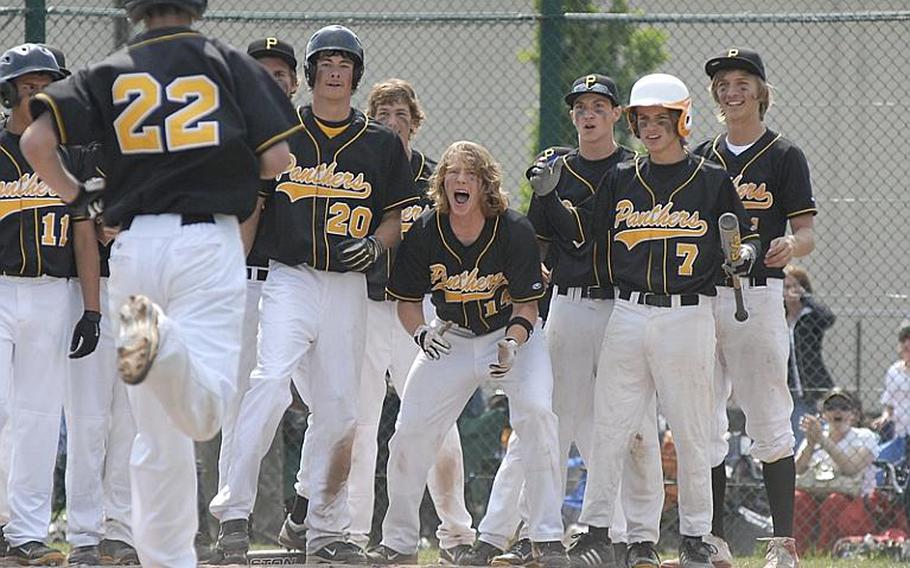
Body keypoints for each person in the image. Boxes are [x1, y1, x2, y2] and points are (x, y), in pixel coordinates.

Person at [21, 0, 295, 564]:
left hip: (133, 248)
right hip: (207, 242)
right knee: (205, 412)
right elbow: (279, 162)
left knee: (153, 430)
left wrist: (76, 195)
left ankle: (167, 560)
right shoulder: (227, 62)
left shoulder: (109, 69)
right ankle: (162, 340)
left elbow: (33, 144)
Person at [531, 73, 759, 568]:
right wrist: (548, 199)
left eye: (662, 119)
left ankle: (696, 536)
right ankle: (600, 533)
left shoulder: (712, 180)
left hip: (688, 316)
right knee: (611, 426)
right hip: (628, 311)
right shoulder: (621, 178)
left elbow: (741, 244)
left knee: (690, 428)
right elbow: (586, 237)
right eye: (643, 119)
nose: (651, 128)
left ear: (682, 120)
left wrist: (743, 255)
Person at [209, 24, 417, 564]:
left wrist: (377, 245)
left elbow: (395, 215)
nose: (333, 70)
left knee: (342, 409)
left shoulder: (380, 143)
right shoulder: (281, 134)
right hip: (290, 276)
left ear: (355, 74)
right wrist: (233, 272)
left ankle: (324, 527)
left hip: (349, 286)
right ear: (310, 73)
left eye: (343, 63)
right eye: (324, 62)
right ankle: (233, 515)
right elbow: (253, 207)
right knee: (269, 382)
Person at [463, 74, 664, 568]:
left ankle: (634, 539)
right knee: (545, 421)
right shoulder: (556, 169)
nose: (589, 113)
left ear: (618, 114)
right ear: (572, 114)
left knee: (631, 427)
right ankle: (508, 535)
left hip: (624, 305)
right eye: (580, 106)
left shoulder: (635, 170)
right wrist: (537, 260)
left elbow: (613, 234)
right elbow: (540, 241)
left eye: (600, 105)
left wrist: (554, 201)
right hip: (570, 305)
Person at [367, 140, 568, 567]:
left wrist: (512, 343)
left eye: (470, 175)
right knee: (409, 432)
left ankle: (546, 536)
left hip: (511, 336)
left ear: (485, 185)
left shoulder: (512, 228)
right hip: (451, 339)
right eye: (452, 174)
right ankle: (399, 540)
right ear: (441, 183)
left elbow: (527, 306)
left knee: (536, 414)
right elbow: (405, 300)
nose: (460, 181)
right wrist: (420, 333)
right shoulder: (425, 229)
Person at [658, 48, 819, 568]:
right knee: (702, 422)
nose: (731, 92)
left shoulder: (783, 154)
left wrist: (791, 248)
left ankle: (782, 545)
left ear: (760, 91)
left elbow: (806, 233)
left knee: (770, 417)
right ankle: (713, 541)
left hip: (761, 292)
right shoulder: (702, 156)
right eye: (723, 84)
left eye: (741, 82)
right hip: (705, 298)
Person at [328, 77, 474, 559]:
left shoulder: (436, 178)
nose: (392, 124)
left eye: (401, 116)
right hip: (365, 306)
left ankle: (456, 534)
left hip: (421, 311)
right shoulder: (360, 171)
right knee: (361, 422)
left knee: (437, 423)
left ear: (416, 122)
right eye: (383, 115)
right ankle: (352, 535)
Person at [0, 42, 102, 565]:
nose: (38, 92)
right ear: (9, 91)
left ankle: (25, 532)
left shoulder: (72, 155)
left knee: (39, 416)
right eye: (27, 85)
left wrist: (92, 309)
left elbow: (85, 234)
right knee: (2, 410)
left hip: (53, 293)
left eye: (47, 84)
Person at [208, 35, 299, 565]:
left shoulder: (308, 135)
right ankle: (232, 521)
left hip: (301, 281)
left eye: (282, 72)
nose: (274, 79)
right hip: (243, 280)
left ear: (294, 80)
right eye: (262, 71)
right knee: (243, 398)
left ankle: (311, 517)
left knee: (301, 398)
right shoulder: (231, 138)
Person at [793, 389, 880, 554]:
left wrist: (823, 441)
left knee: (834, 502)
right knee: (798, 499)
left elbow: (850, 468)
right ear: (824, 414)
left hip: (851, 498)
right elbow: (797, 469)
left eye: (844, 407)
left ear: (854, 414)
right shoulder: (816, 435)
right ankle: (799, 554)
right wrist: (811, 444)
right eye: (831, 407)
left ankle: (826, 552)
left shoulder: (864, 436)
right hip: (815, 492)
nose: (837, 411)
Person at [785, 264, 835, 426]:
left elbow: (828, 318)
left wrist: (806, 298)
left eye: (796, 286)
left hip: (815, 386)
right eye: (787, 287)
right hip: (788, 389)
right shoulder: (778, 318)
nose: (792, 290)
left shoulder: (810, 315)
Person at [871, 326, 910, 442]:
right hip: (900, 433)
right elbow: (890, 405)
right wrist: (884, 418)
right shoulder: (894, 371)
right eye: (903, 339)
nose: (907, 343)